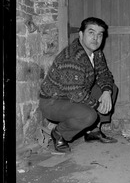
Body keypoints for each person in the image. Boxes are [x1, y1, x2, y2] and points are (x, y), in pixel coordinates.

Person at [39, 17, 118, 153]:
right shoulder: (72, 57)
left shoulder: (96, 53)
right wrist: (97, 106)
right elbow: (75, 94)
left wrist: (107, 92)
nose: (96, 38)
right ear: (81, 35)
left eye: (100, 34)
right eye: (91, 33)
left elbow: (105, 74)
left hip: (73, 96)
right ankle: (59, 133)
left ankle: (92, 131)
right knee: (89, 115)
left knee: (111, 89)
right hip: (53, 102)